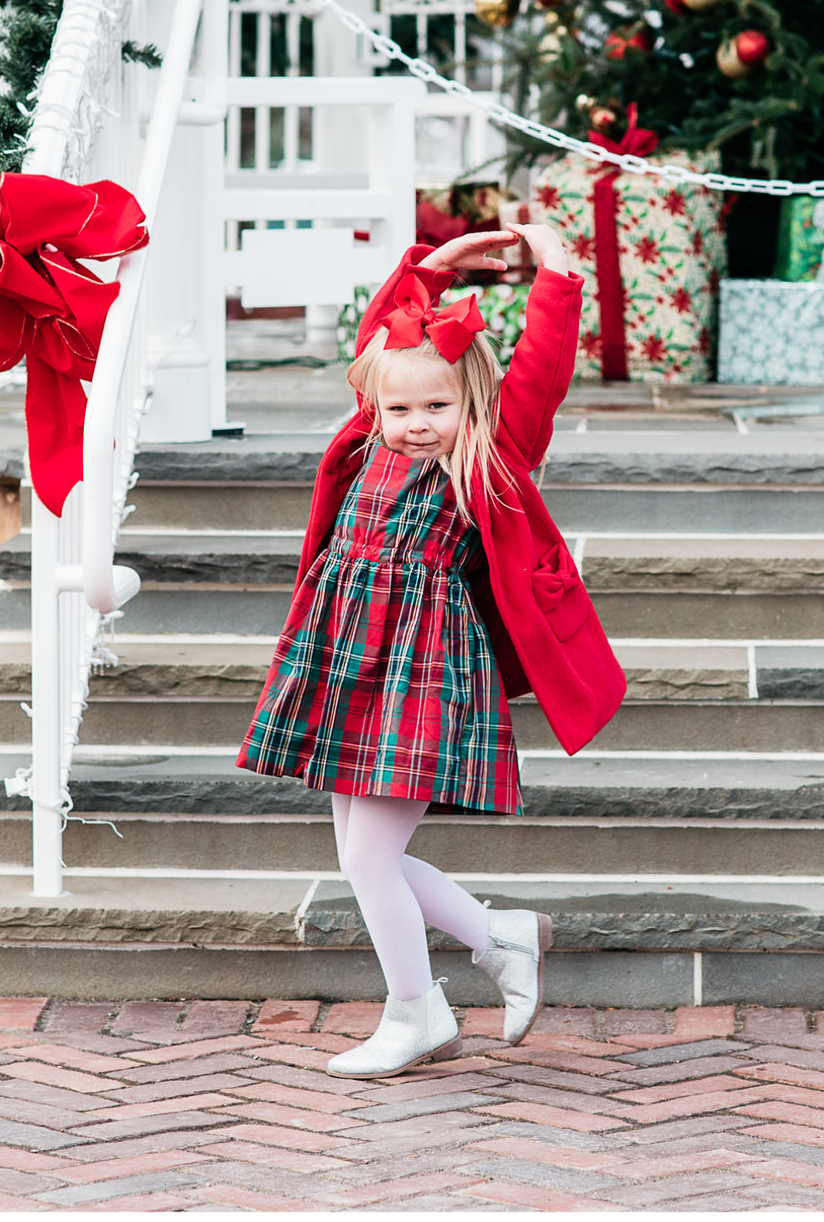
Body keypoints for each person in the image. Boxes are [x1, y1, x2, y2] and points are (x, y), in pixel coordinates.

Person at [238, 224, 626, 1077]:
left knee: (369, 855)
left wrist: (557, 270)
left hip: (422, 669)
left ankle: (418, 1013)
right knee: (362, 852)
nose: (416, 425)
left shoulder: (491, 453)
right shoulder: (365, 438)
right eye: (401, 409)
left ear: (472, 404)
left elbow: (542, 371)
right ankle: (501, 938)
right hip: (347, 662)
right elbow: (383, 340)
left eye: (437, 408)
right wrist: (424, 267)